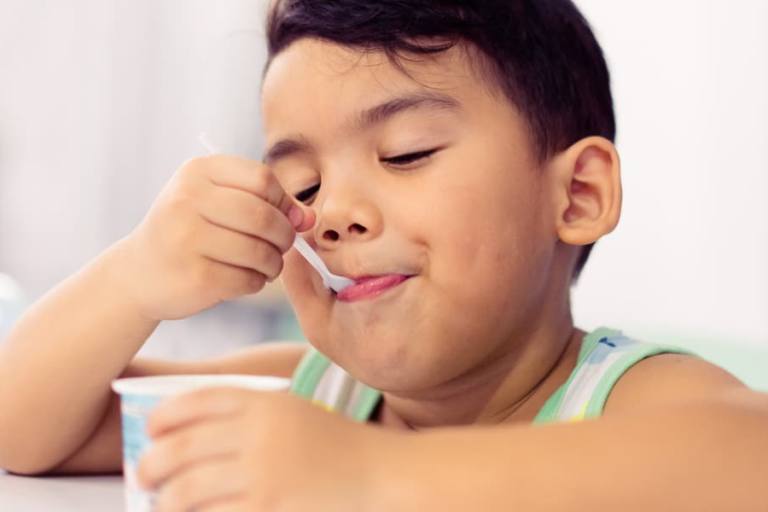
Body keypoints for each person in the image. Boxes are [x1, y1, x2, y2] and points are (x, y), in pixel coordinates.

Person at [1, 1, 766, 510]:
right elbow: (24, 429)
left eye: (405, 153)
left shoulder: (625, 397)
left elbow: (749, 455)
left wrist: (369, 476)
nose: (332, 213)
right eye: (303, 183)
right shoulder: (313, 397)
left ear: (577, 196)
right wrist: (134, 276)